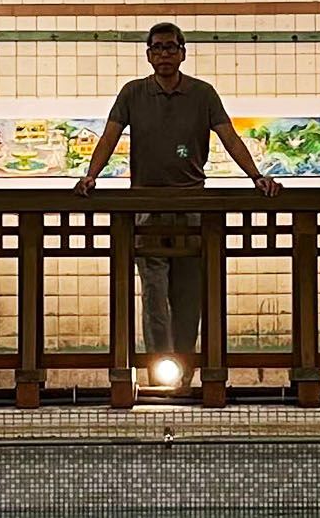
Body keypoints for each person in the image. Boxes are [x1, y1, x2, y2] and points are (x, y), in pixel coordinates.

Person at [73, 23, 279, 381]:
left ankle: (182, 371)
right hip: (146, 206)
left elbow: (229, 137)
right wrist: (91, 175)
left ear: (183, 52)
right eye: (157, 48)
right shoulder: (133, 93)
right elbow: (109, 137)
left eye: (171, 48)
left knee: (188, 294)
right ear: (148, 54)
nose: (164, 54)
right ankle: (158, 371)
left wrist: (256, 176)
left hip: (193, 205)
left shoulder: (203, 94)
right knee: (154, 294)